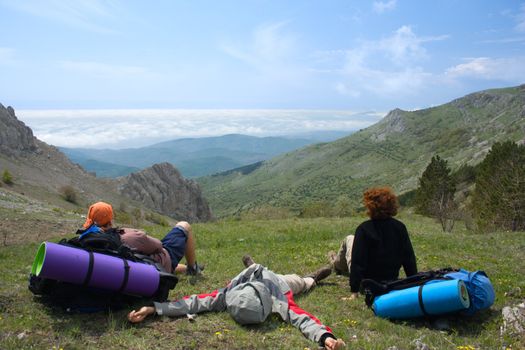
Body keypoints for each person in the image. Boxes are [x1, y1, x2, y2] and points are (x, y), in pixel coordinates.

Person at [128, 255, 345, 350]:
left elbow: (193, 303)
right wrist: (326, 337)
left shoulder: (229, 293)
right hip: (270, 280)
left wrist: (154, 309)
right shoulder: (275, 299)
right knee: (300, 282)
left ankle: (256, 265)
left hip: (267, 278)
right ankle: (312, 279)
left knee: (292, 279)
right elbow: (302, 319)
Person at [328, 187, 417, 299]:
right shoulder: (400, 227)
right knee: (351, 240)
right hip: (391, 281)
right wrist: (414, 283)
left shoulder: (364, 229)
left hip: (366, 283)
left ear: (370, 207)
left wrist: (354, 292)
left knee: (349, 239)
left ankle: (335, 263)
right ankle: (335, 261)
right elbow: (409, 259)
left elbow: (357, 263)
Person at [80, 201, 202, 275]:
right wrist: (140, 235)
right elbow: (158, 246)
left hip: (133, 269)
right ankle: (192, 268)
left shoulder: (89, 241)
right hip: (157, 268)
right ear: (111, 219)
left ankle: (186, 269)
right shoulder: (128, 237)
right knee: (184, 226)